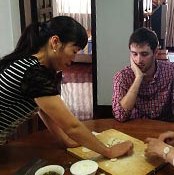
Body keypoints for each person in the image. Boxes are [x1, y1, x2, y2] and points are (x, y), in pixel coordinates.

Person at [0, 16, 133, 158]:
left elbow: (46, 110)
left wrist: (65, 141)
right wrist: (109, 151)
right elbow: (72, 126)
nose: (73, 59)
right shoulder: (33, 73)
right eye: (74, 51)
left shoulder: (34, 66)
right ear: (55, 42)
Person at [112, 27, 174, 125]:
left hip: (164, 129)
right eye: (134, 54)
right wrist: (138, 78)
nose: (139, 60)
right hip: (135, 130)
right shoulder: (122, 77)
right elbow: (120, 116)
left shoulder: (173, 71)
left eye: (144, 54)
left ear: (156, 52)